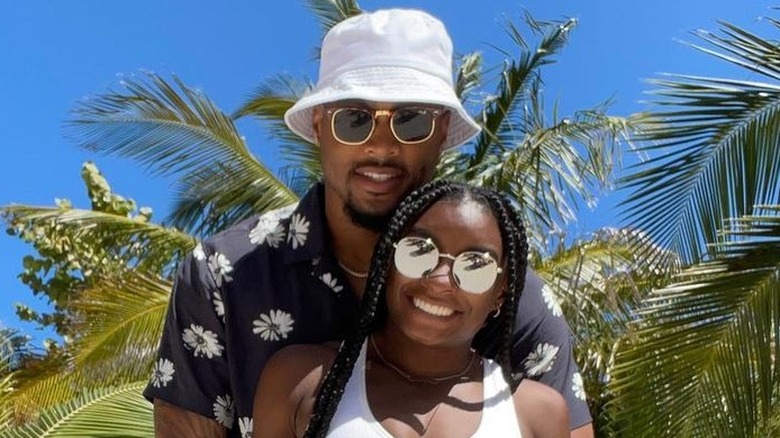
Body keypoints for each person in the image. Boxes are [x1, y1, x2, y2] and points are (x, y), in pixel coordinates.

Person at [144, 8, 593, 438]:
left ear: (441, 134)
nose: (381, 146)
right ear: (319, 126)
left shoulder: (517, 297)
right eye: (354, 120)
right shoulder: (225, 274)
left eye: (411, 120)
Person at [253, 181, 570, 437]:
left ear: (501, 293)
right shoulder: (299, 380)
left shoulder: (535, 413)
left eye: (475, 265)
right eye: (418, 250)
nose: (440, 280)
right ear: (386, 264)